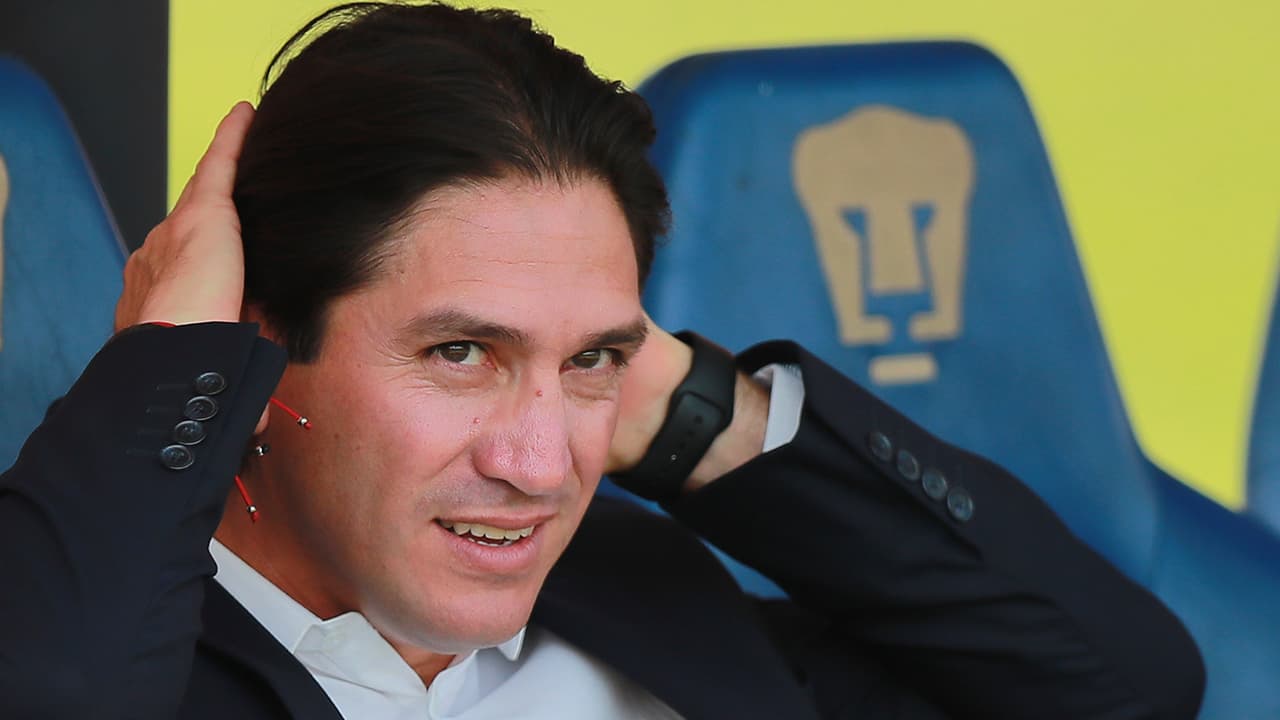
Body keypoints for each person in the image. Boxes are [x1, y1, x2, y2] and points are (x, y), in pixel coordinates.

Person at [0, 3, 1204, 718]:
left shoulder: (642, 598)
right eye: (460, 351)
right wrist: (171, 364)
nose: (539, 465)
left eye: (592, 360)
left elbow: (1118, 685)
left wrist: (687, 416)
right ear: (259, 343)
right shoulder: (105, 643)